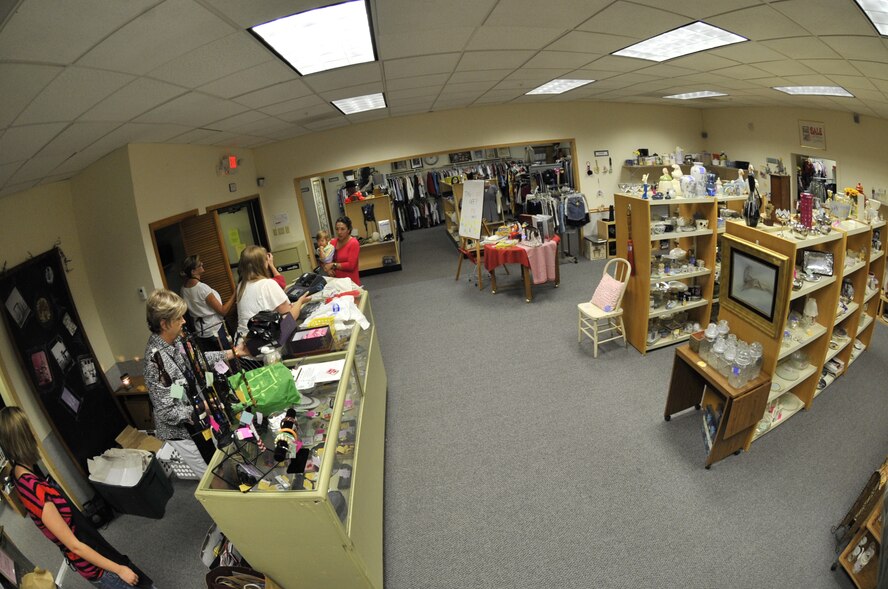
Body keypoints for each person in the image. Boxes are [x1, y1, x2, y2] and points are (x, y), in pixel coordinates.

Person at [0, 406, 153, 588]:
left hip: (95, 548)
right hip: (97, 566)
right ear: (22, 438)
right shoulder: (33, 489)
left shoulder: (25, 469)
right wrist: (119, 570)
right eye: (29, 429)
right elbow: (74, 546)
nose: (34, 433)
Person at [144, 289, 244, 477]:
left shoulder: (178, 341)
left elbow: (199, 360)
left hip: (201, 417)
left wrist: (234, 353)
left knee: (219, 462)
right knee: (210, 474)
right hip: (184, 432)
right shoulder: (154, 362)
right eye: (179, 318)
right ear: (164, 323)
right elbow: (166, 412)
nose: (184, 321)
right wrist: (200, 407)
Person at [236, 245, 311, 337]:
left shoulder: (241, 286)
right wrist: (300, 302)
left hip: (243, 339)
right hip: (263, 341)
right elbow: (289, 320)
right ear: (264, 263)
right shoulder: (267, 284)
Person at [180, 255, 235, 351]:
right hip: (215, 329)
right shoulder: (202, 288)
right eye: (199, 264)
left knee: (215, 363)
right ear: (193, 272)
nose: (202, 264)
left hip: (201, 332)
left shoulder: (183, 289)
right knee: (229, 359)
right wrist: (235, 295)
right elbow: (223, 311)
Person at [323, 216, 361, 286]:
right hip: (335, 283)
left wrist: (333, 265)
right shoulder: (332, 243)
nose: (339, 232)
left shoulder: (353, 243)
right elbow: (324, 260)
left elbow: (351, 266)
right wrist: (328, 269)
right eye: (337, 229)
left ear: (348, 230)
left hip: (350, 283)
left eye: (342, 229)